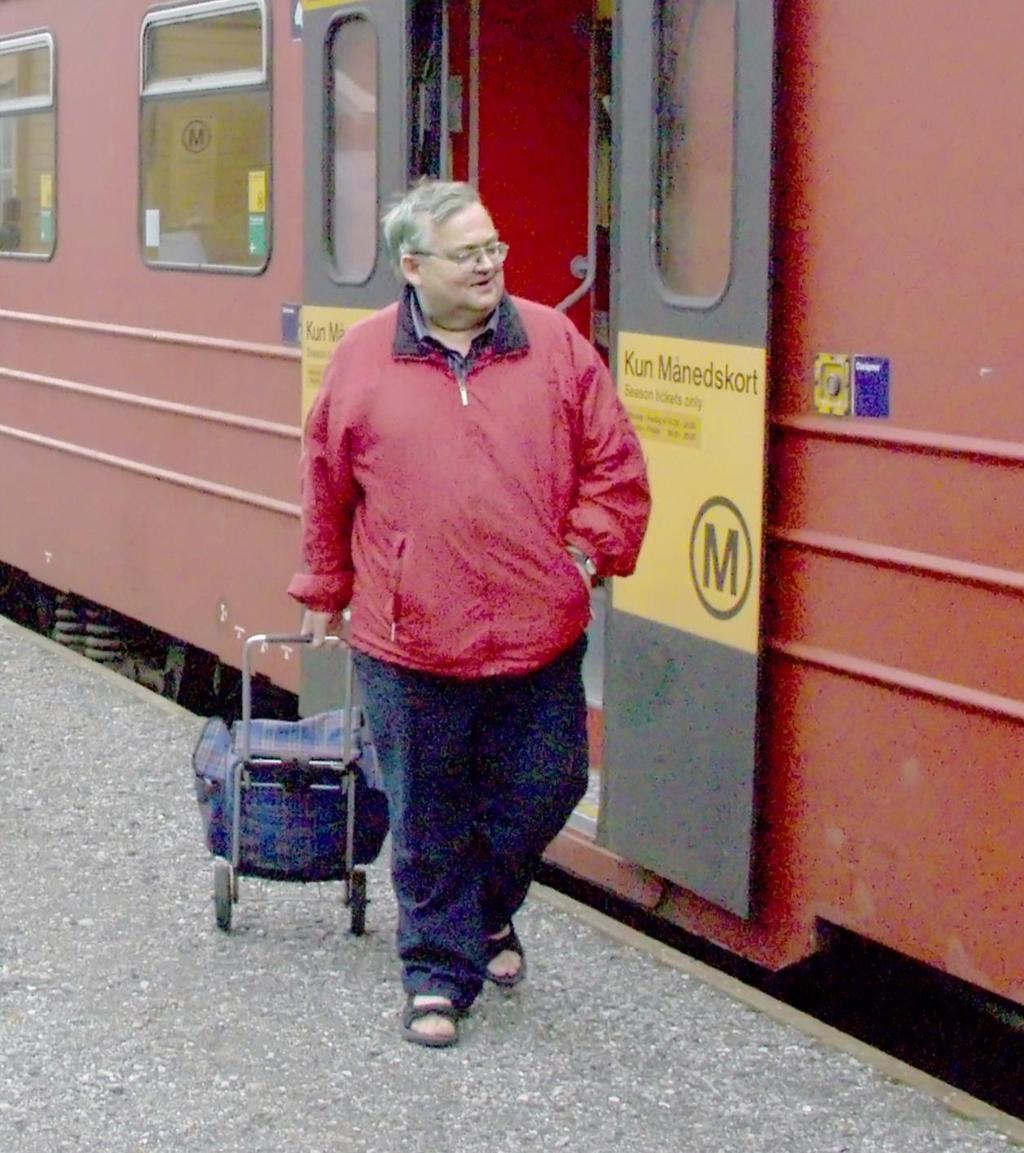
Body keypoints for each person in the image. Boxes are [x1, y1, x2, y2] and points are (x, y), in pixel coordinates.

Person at [288, 180, 650, 1048]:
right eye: (468, 252)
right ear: (413, 267)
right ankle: (435, 973)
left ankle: (482, 911)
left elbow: (615, 462)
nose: (490, 263)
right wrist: (323, 587)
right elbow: (326, 481)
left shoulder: (556, 344)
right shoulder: (365, 357)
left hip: (538, 628)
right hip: (409, 637)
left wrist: (583, 554)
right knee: (427, 808)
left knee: (551, 782)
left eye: (494, 246)